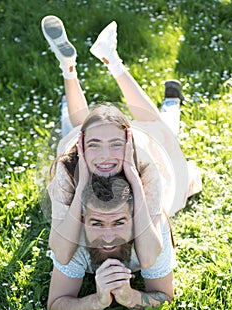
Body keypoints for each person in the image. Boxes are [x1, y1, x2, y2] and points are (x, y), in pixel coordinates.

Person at [41, 17, 202, 267]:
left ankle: (70, 69)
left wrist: (134, 179)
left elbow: (149, 258)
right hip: (88, 151)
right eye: (93, 145)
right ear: (82, 147)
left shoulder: (144, 162)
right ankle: (107, 61)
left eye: (116, 145)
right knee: (162, 131)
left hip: (131, 155)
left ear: (129, 142)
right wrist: (82, 182)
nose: (106, 156)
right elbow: (61, 254)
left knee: (158, 133)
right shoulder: (68, 166)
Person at [47, 175, 174, 310]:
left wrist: (131, 297)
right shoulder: (73, 239)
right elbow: (56, 306)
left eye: (119, 222)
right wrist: (97, 301)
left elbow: (166, 297)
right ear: (82, 220)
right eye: (97, 224)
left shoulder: (152, 235)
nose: (108, 238)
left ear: (135, 218)